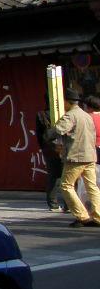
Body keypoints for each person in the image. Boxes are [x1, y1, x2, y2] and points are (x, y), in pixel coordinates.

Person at [48, 89, 100, 228]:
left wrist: (48, 134)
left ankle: (82, 216)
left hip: (76, 157)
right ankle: (98, 216)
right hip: (90, 155)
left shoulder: (70, 116)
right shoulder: (86, 115)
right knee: (92, 187)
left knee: (66, 185)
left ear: (67, 102)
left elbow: (58, 130)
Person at [35, 110, 66, 212]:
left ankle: (53, 204)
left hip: (49, 148)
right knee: (67, 176)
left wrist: (44, 146)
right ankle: (69, 204)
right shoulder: (65, 111)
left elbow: (39, 134)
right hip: (64, 147)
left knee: (53, 176)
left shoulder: (42, 114)